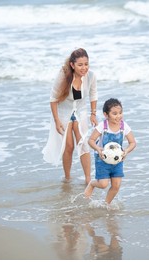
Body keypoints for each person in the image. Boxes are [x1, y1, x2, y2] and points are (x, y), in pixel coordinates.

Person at [42, 48, 98, 184]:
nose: (84, 68)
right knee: (69, 146)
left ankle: (88, 179)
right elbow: (53, 98)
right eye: (80, 65)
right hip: (63, 113)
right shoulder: (64, 75)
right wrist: (57, 121)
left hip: (80, 111)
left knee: (83, 143)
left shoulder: (90, 76)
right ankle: (67, 178)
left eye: (86, 64)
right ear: (72, 65)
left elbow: (93, 94)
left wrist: (93, 114)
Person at [85, 98, 136, 205]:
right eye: (114, 113)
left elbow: (132, 142)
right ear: (106, 115)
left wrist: (126, 151)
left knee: (116, 185)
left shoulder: (124, 126)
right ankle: (92, 184)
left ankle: (106, 204)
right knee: (103, 184)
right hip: (102, 159)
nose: (118, 116)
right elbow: (91, 140)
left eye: (120, 113)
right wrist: (98, 149)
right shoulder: (102, 126)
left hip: (118, 160)